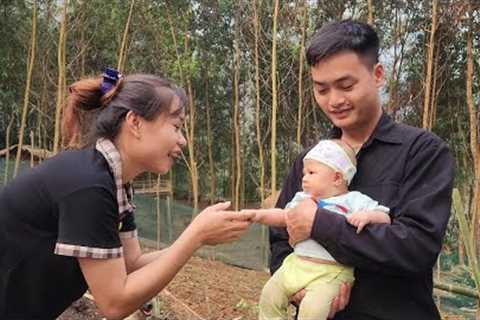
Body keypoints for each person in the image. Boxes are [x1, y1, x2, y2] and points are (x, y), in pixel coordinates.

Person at [0, 69, 254, 319]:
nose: (183, 141)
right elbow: (114, 303)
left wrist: (197, 239)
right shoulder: (88, 185)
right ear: (134, 122)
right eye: (176, 127)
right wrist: (195, 235)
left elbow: (131, 264)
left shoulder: (115, 184)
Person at [270, 20, 455, 320]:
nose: (334, 101)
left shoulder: (422, 151)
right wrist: (297, 290)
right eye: (322, 89)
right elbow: (280, 239)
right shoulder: (310, 160)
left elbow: (417, 247)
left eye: (346, 86)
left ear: (378, 75)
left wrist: (321, 224)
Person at [248, 139, 391, 320]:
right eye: (304, 173)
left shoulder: (354, 200)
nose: (304, 177)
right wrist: (257, 216)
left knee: (313, 311)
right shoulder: (302, 198)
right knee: (269, 296)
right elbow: (284, 216)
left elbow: (384, 216)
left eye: (311, 172)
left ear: (337, 177)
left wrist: (367, 216)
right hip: (295, 264)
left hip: (330, 273)